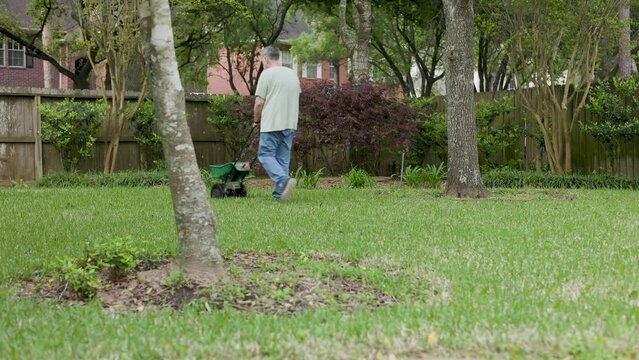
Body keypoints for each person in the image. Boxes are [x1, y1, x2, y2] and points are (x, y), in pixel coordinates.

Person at [253, 46, 301, 201]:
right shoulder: (292, 74)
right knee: (282, 159)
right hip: (290, 123)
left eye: (262, 61)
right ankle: (278, 195)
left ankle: (282, 180)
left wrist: (256, 120)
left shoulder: (267, 74)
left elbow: (259, 102)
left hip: (272, 123)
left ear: (266, 59)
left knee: (265, 154)